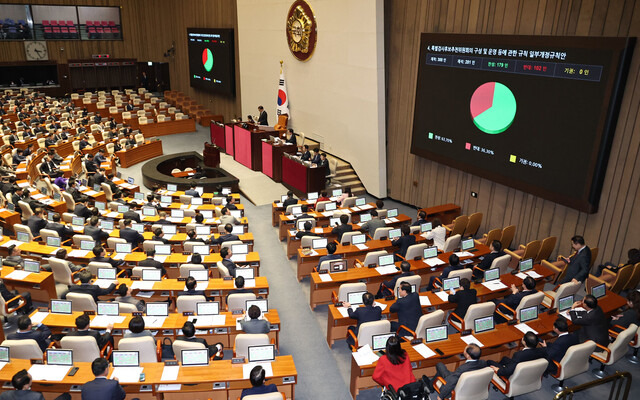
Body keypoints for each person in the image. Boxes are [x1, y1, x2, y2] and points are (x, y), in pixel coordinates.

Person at [1, 369, 70, 400]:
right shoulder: (37, 397)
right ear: (26, 385)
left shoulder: (4, 395)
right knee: (66, 396)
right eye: (31, 379)